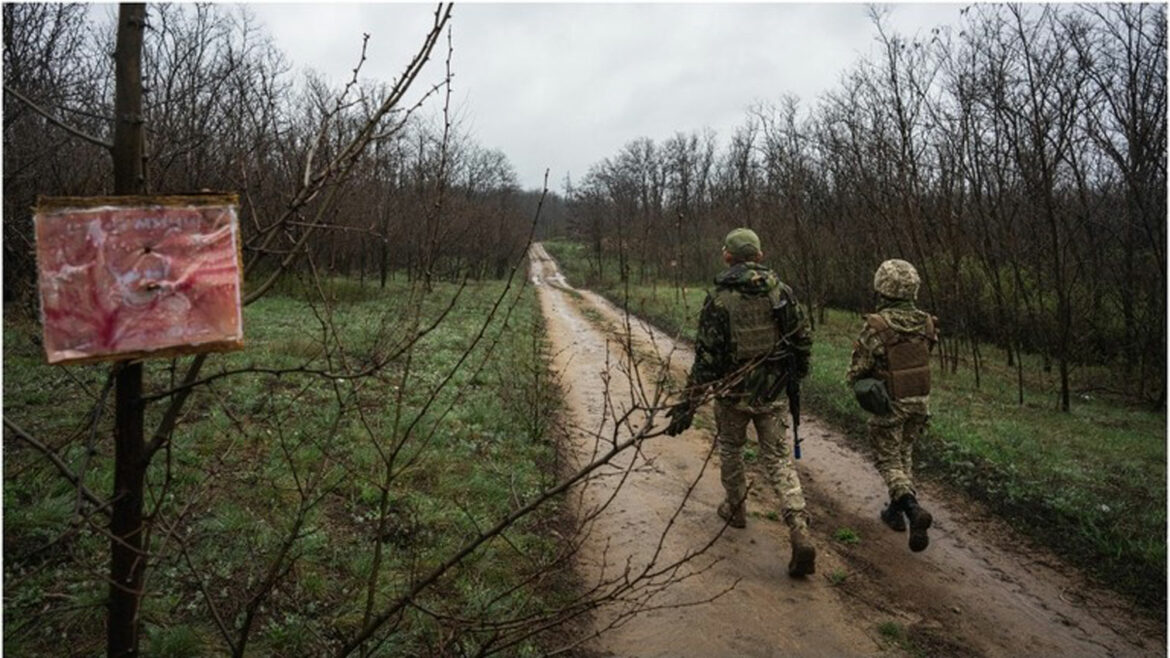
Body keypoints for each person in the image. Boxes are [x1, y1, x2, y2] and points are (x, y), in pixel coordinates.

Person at [665, 228, 816, 577]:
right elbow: (803, 340)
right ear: (760, 256)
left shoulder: (718, 300)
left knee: (731, 449)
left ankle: (735, 510)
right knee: (779, 460)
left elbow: (706, 361)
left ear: (728, 258)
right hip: (774, 392)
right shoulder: (783, 293)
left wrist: (688, 404)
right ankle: (799, 528)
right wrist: (797, 376)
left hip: (733, 394)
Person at [846, 259, 939, 552]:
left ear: (882, 287)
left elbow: (856, 371)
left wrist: (861, 382)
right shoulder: (926, 323)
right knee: (904, 453)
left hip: (890, 403)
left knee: (888, 461)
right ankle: (895, 514)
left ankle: (911, 508)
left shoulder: (877, 326)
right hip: (920, 401)